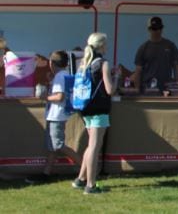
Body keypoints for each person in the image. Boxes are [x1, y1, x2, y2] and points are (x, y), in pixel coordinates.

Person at [28, 51, 81, 184]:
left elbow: (59, 96)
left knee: (58, 145)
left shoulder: (60, 77)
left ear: (51, 63)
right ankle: (47, 173)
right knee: (52, 146)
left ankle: (86, 168)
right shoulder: (62, 75)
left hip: (57, 115)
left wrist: (43, 97)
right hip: (57, 115)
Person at [73, 33, 114, 195]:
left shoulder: (84, 63)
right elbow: (110, 90)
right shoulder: (103, 64)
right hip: (99, 109)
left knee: (91, 145)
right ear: (102, 46)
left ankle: (80, 179)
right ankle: (91, 185)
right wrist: (115, 78)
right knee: (94, 147)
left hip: (86, 108)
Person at [130, 17, 178, 97]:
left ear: (162, 29)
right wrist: (137, 91)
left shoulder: (170, 45)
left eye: (159, 28)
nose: (157, 31)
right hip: (148, 90)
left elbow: (176, 66)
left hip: (166, 90)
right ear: (149, 30)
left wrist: (177, 86)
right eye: (154, 29)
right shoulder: (143, 48)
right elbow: (138, 71)